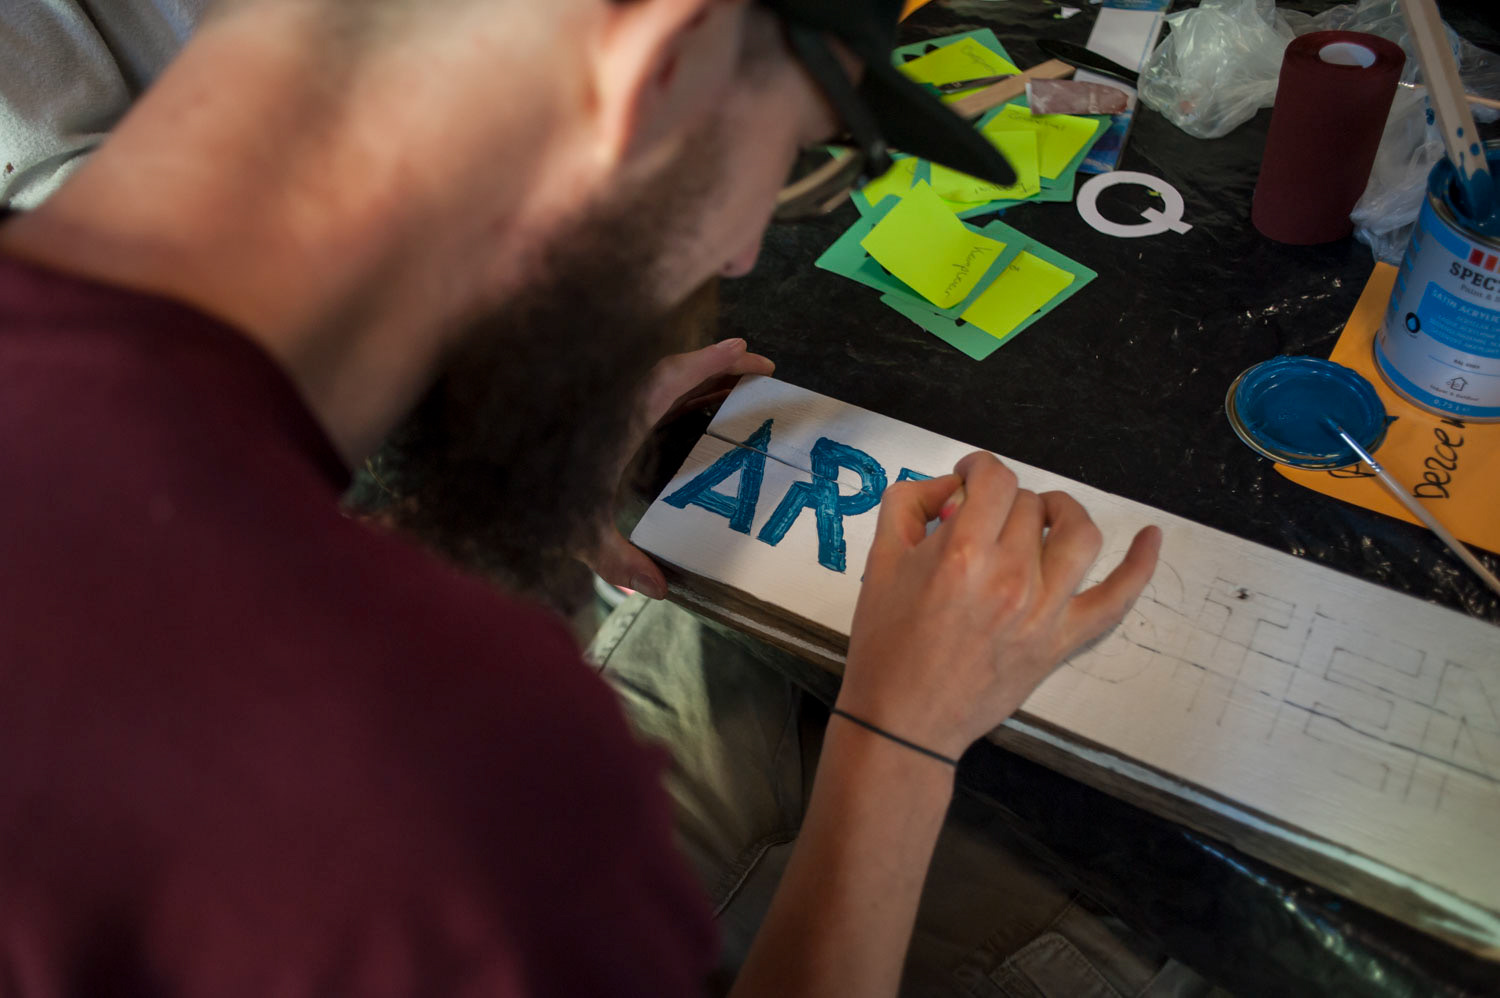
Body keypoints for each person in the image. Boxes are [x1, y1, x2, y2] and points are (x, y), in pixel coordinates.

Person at [0, 0, 1164, 994]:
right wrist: (901, 732)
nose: (743, 250)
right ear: (659, 62)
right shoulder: (446, 771)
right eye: (805, 160)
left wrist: (500, 467)